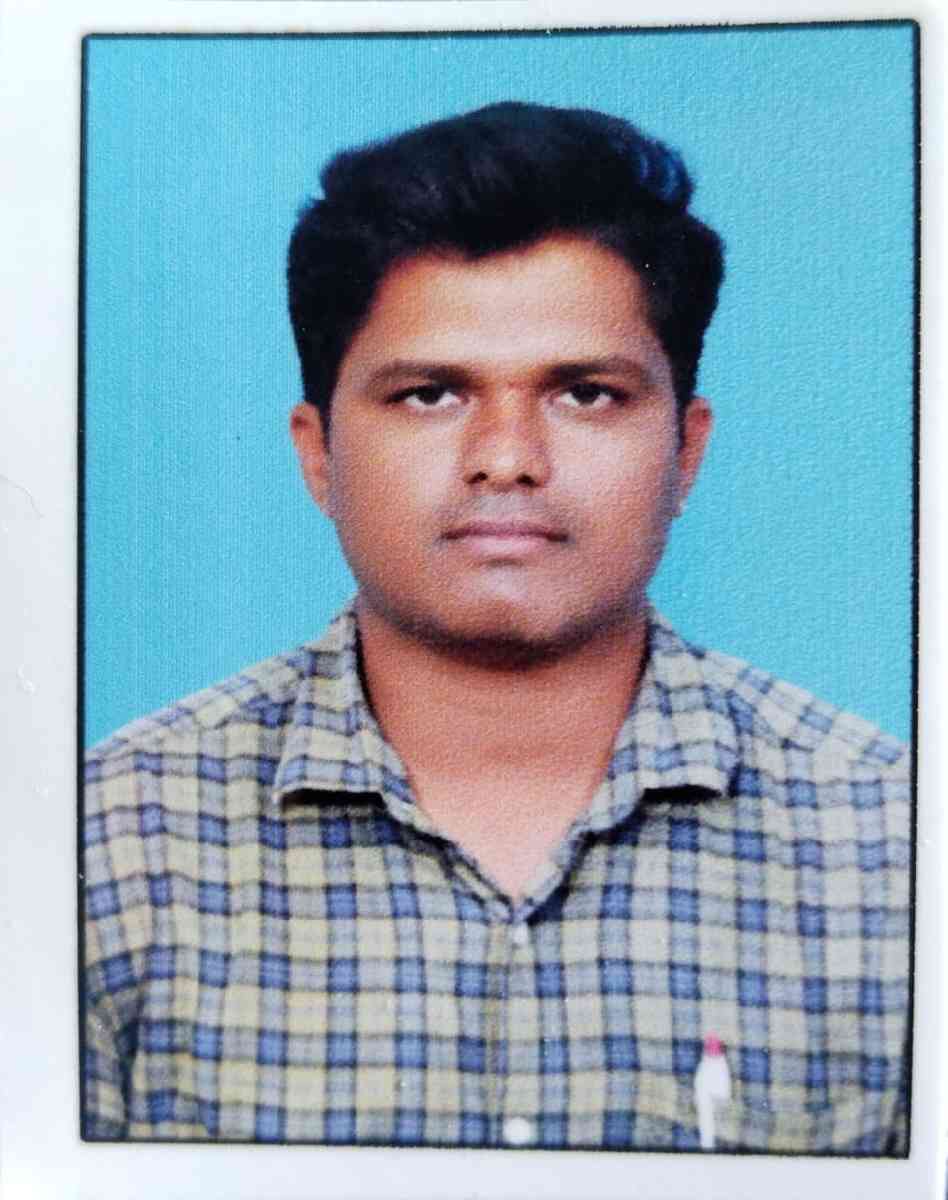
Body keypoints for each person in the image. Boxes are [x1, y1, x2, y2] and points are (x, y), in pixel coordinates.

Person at [82, 101, 910, 1153]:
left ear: (686, 452)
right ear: (319, 455)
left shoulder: (891, 850)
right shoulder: (107, 851)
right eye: (430, 394)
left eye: (586, 395)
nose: (508, 457)